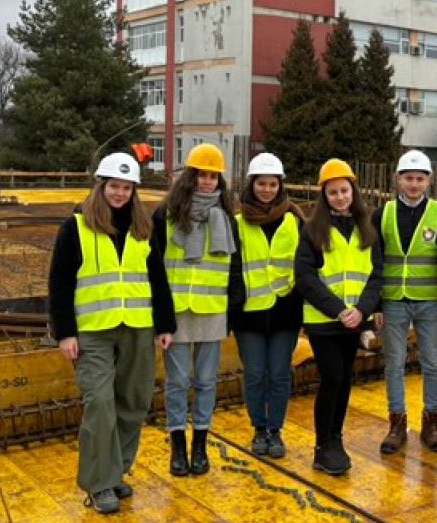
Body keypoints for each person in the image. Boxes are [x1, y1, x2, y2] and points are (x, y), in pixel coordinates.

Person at [48, 152, 175, 514]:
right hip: (93, 332)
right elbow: (59, 282)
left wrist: (165, 324)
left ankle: (115, 470)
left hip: (137, 327)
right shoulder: (76, 227)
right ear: (101, 186)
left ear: (134, 191)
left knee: (133, 402)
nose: (120, 193)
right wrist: (65, 333)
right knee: (100, 404)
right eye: (114, 186)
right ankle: (99, 484)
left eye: (127, 187)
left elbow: (157, 277)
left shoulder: (142, 227)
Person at [153, 143, 243, 478]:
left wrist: (232, 312)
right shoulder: (166, 216)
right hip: (176, 313)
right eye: (201, 176)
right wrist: (160, 317)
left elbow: (235, 269)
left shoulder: (226, 220)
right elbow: (154, 268)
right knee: (177, 382)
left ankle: (200, 444)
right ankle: (177, 445)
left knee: (206, 381)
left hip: (212, 311)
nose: (207, 182)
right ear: (189, 178)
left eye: (213, 177)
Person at [296, 158, 383, 475]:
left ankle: (336, 439)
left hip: (354, 320)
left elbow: (376, 274)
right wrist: (338, 310)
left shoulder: (366, 228)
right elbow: (305, 277)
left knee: (345, 379)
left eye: (344, 191)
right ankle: (323, 446)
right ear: (324, 195)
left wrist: (362, 310)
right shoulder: (312, 230)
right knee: (332, 378)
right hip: (325, 322)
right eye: (332, 192)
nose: (340, 197)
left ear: (353, 191)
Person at [230, 152, 306, 459]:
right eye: (261, 184)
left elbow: (304, 265)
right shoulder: (237, 223)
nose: (267, 189)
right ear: (252, 185)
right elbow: (233, 267)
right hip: (249, 314)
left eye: (272, 184)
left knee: (279, 374)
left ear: (280, 186)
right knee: (255, 374)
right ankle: (259, 428)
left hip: (284, 313)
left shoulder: (294, 220)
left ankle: (275, 430)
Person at [373, 150, 437, 455]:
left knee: (432, 363)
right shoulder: (384, 213)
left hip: (429, 301)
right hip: (393, 300)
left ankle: (431, 423)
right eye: (408, 178)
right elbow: (375, 261)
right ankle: (397, 423)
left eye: (419, 178)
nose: (414, 184)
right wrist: (376, 304)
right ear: (398, 179)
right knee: (394, 363)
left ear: (429, 181)